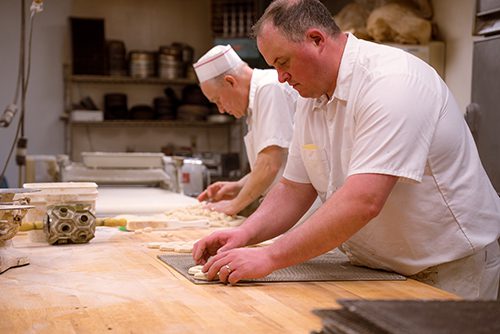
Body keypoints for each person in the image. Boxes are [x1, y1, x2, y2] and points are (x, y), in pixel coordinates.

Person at [192, 0, 500, 300]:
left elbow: (363, 201)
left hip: (447, 271)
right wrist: (244, 234)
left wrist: (270, 256)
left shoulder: (391, 83)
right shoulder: (310, 98)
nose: (281, 78)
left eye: (283, 63)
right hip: (380, 270)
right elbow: (293, 188)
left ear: (316, 39)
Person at [192, 44, 297, 216]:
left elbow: (270, 163)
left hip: (301, 214)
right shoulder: (254, 102)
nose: (221, 109)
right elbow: (283, 161)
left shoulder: (269, 88)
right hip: (284, 209)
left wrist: (233, 206)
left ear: (230, 82)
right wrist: (239, 185)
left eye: (218, 100)